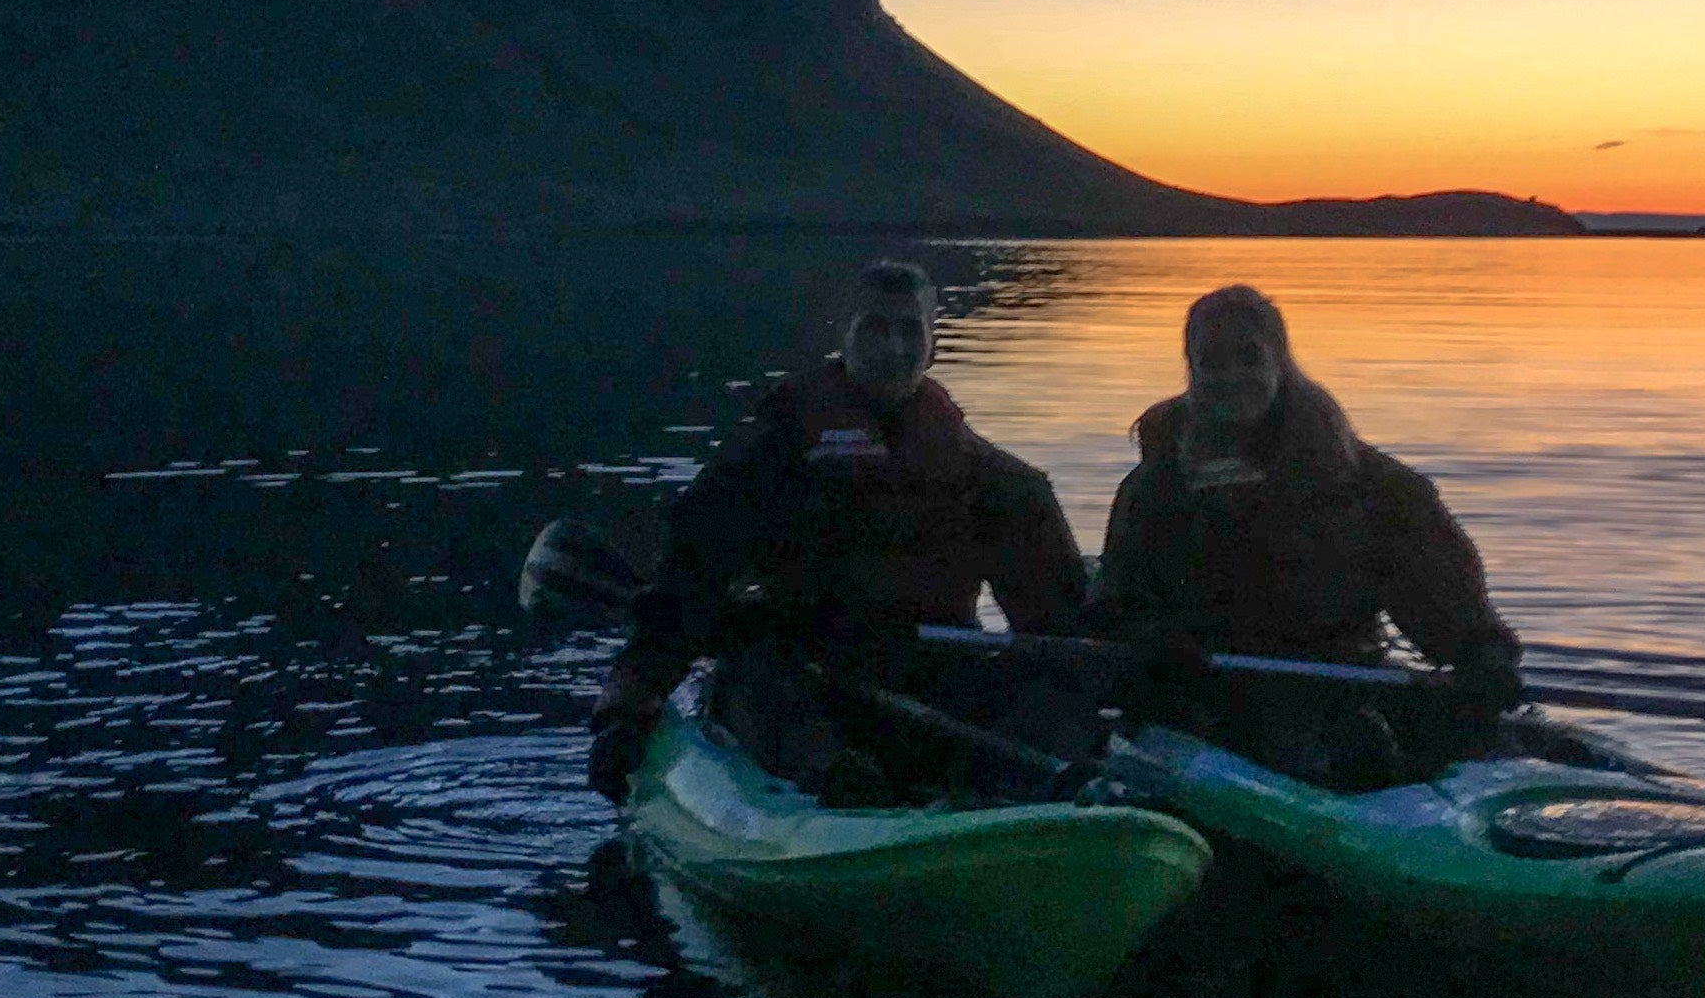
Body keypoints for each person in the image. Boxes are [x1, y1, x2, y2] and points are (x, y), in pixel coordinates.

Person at [585, 260, 1095, 803]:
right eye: (874, 328)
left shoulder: (995, 482)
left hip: (935, 679)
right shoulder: (769, 461)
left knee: (1038, 693)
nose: (894, 349)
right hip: (805, 675)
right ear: (841, 337)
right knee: (758, 679)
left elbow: (1055, 630)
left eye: (909, 331)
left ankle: (1012, 793)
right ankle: (840, 783)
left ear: (934, 345)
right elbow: (687, 587)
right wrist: (628, 706)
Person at [1099, 283, 1525, 784]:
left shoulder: (1362, 480)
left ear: (1280, 363)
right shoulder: (1156, 484)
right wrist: (1147, 637)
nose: (1230, 377)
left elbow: (1432, 581)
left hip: (1334, 679)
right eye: (1211, 362)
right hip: (1203, 686)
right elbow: (1120, 599)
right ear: (1191, 371)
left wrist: (1480, 651)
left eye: (1248, 358)